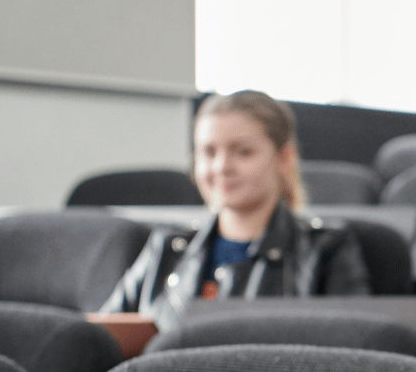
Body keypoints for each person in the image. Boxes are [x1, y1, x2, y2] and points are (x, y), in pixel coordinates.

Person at [101, 90, 370, 324]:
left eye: (243, 152)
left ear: (284, 158)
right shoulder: (166, 248)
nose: (221, 167)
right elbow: (101, 336)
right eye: (208, 152)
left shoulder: (326, 250)